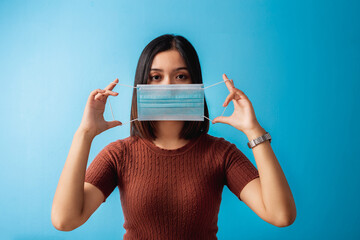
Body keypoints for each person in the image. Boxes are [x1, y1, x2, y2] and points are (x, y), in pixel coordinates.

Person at [51, 34, 296, 238]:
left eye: (180, 76)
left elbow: (281, 215)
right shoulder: (120, 154)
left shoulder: (221, 153)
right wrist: (84, 134)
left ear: (195, 83)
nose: (168, 87)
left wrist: (254, 131)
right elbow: (65, 220)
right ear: (141, 86)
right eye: (155, 77)